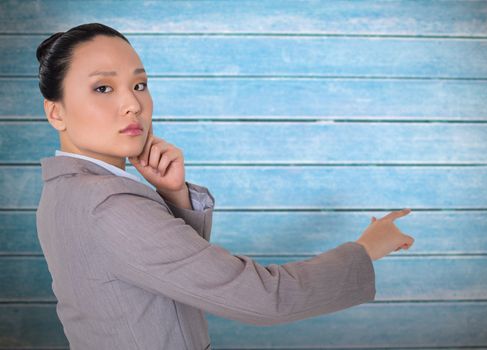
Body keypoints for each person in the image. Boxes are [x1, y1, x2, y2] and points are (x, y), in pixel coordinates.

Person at [35, 22, 415, 350]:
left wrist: (172, 197)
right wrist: (365, 249)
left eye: (139, 84)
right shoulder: (109, 205)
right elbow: (265, 298)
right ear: (56, 112)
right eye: (103, 88)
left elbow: (164, 281)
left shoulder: (65, 190)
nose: (133, 104)